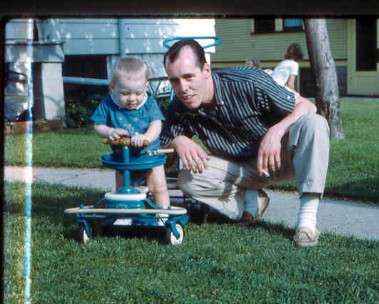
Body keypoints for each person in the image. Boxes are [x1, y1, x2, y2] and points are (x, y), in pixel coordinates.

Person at [161, 39, 330, 247]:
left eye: (188, 77)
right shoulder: (178, 107)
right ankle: (249, 200)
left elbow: (307, 106)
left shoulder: (248, 81)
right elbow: (162, 154)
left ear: (206, 70)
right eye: (174, 81)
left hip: (281, 157)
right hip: (239, 169)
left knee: (315, 123)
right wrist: (177, 141)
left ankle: (307, 223)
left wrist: (276, 132)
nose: (183, 88)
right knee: (187, 178)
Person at [92, 57, 170, 208]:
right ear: (113, 88)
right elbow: (98, 125)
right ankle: (125, 213)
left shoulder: (149, 103)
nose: (132, 98)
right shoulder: (108, 104)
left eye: (138, 93)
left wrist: (146, 137)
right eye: (125, 93)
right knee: (122, 190)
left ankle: (163, 215)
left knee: (159, 188)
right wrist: (109, 131)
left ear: (146, 87)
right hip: (122, 157)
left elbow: (156, 124)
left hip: (149, 155)